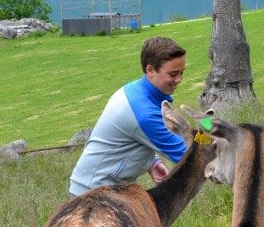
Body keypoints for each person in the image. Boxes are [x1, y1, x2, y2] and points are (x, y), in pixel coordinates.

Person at [68, 36, 189, 197]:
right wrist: (209, 135)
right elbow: (187, 153)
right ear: (150, 70)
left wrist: (152, 162)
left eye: (181, 73)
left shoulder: (137, 91)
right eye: (173, 74)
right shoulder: (145, 113)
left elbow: (132, 136)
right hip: (94, 194)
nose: (179, 79)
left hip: (97, 187)